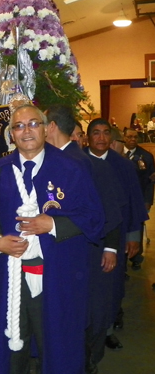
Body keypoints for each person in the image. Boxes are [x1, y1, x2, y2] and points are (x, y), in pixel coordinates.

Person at [0, 104, 104, 374]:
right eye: (19, 126)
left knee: (57, 345)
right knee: (14, 345)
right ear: (11, 134)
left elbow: (95, 217)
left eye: (33, 124)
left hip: (58, 275)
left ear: (47, 128)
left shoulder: (72, 169)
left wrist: (54, 224)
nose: (26, 131)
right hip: (12, 275)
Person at [45, 105, 123, 373]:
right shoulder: (55, 159)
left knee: (84, 311)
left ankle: (85, 363)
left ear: (51, 126)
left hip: (87, 250)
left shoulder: (84, 163)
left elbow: (111, 210)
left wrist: (110, 247)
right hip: (64, 251)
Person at [85, 119, 148, 352]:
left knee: (113, 284)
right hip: (88, 236)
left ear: (111, 138)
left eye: (105, 133)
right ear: (87, 137)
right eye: (96, 133)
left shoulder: (123, 166)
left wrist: (133, 236)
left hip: (117, 234)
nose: (101, 138)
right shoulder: (79, 163)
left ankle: (108, 328)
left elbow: (134, 201)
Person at [123, 128, 155, 269]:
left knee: (137, 226)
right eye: (129, 137)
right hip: (121, 200)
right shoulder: (116, 154)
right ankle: (122, 258)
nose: (132, 140)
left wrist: (148, 201)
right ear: (124, 138)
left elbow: (150, 181)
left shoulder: (146, 156)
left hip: (138, 198)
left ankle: (136, 257)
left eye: (135, 137)